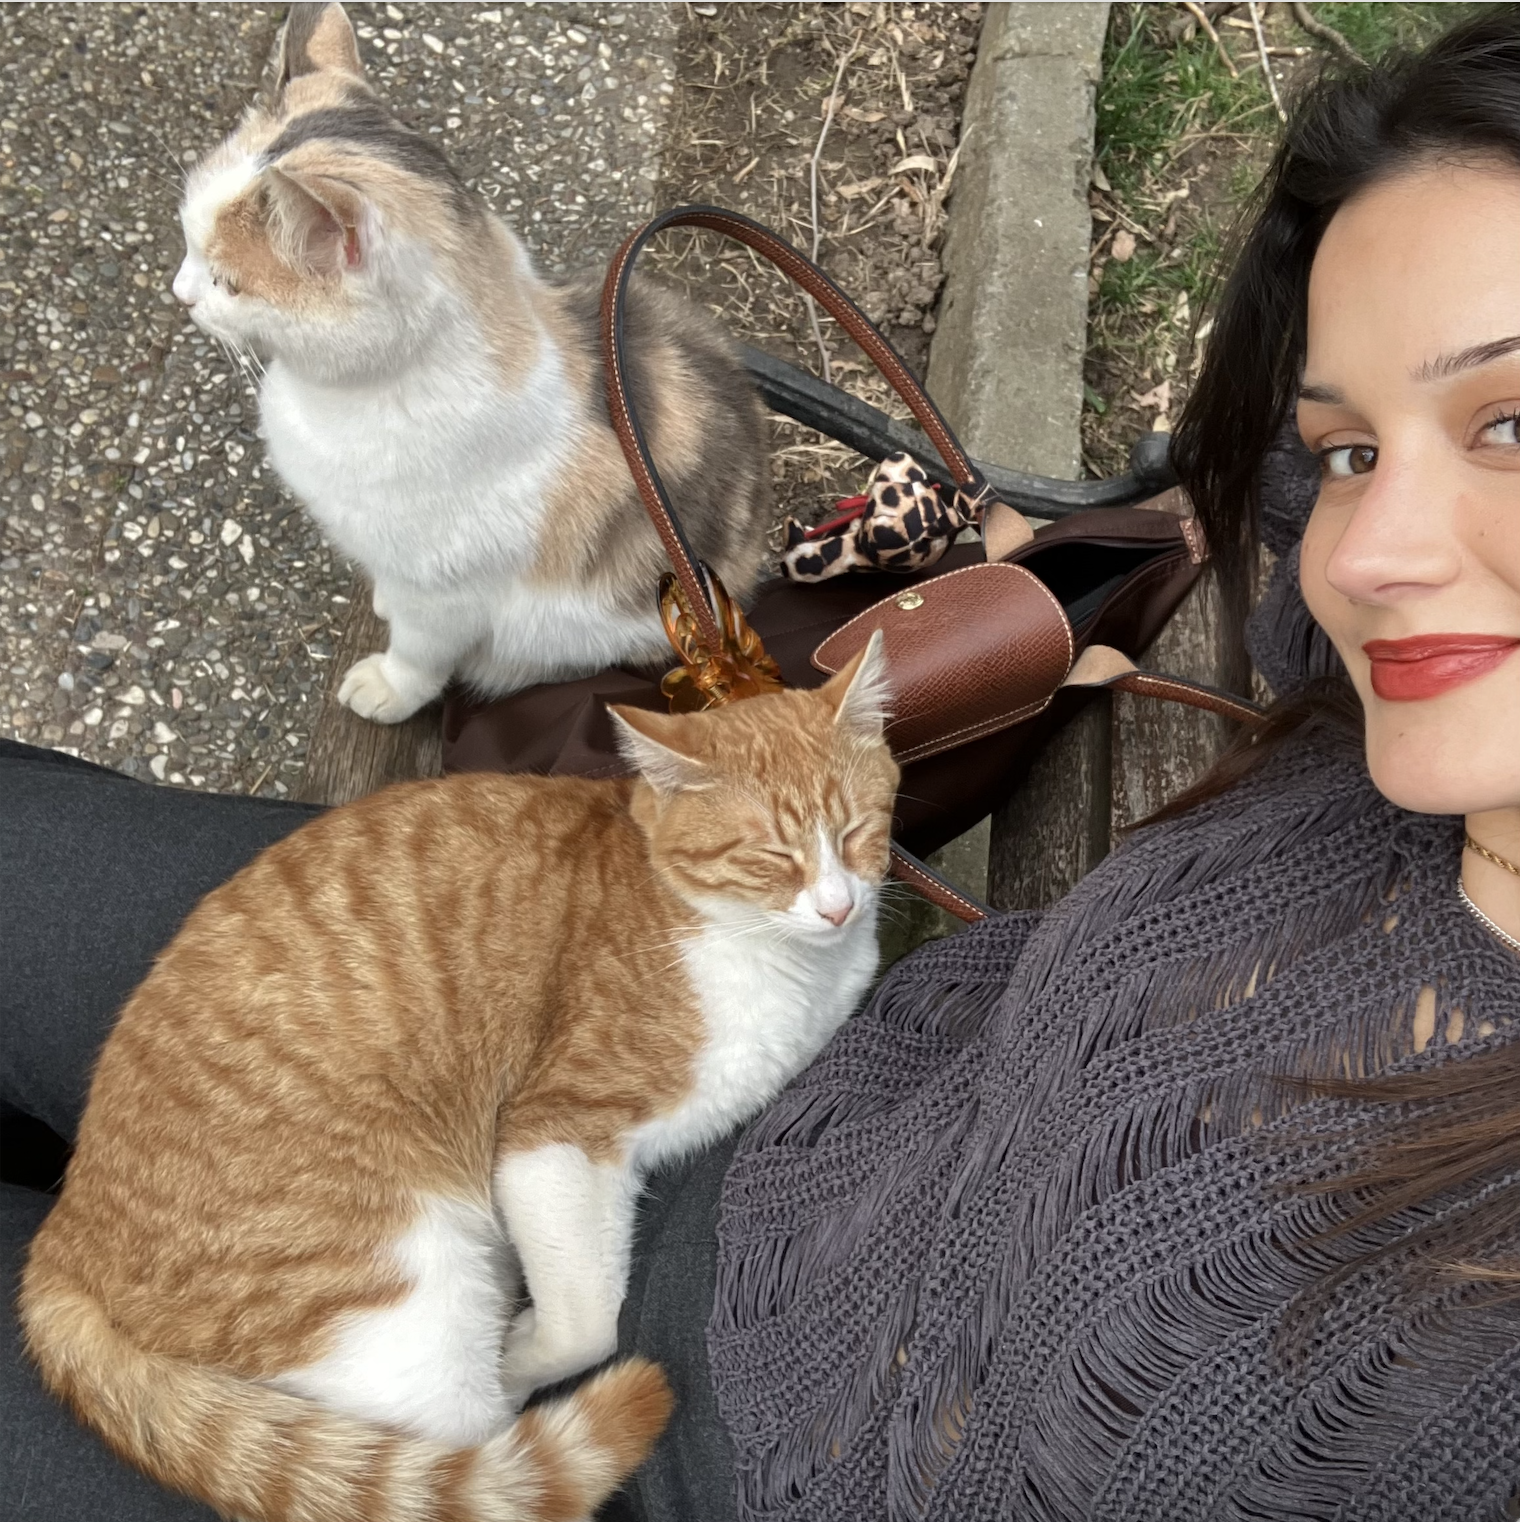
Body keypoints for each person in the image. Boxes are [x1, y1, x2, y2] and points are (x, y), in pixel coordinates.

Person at [6, 9, 1520, 1518]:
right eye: (1351, 454)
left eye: (1510, 421)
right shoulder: (1390, 737)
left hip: (671, 1451)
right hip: (693, 1079)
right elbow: (1266, 459)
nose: (1369, 556)